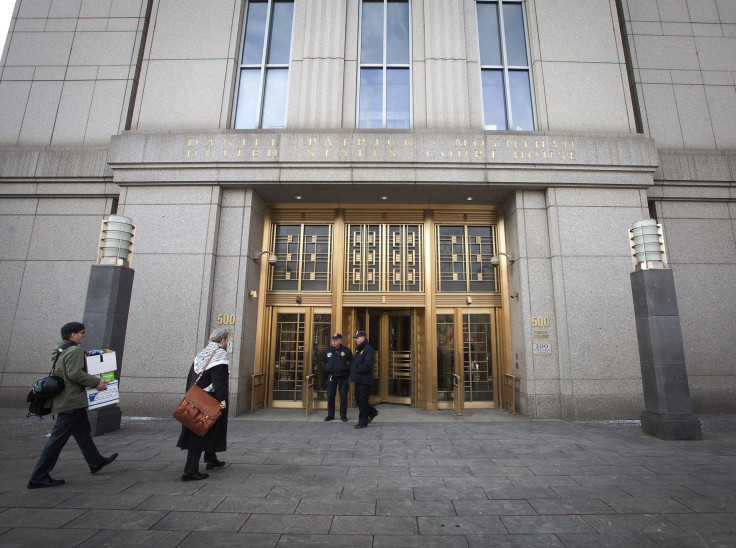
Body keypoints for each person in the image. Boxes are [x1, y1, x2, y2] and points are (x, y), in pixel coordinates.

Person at [28, 322, 118, 489]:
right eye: (81, 333)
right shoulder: (74, 351)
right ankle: (39, 476)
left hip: (66, 400)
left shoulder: (61, 349)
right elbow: (75, 374)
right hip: (72, 401)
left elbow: (65, 363)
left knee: (82, 432)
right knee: (57, 439)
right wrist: (96, 382)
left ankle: (95, 461)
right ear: (72, 335)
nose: (84, 335)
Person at [176, 328, 230, 481]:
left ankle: (211, 458)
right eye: (226, 340)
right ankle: (190, 470)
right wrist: (222, 400)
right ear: (223, 340)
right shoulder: (219, 356)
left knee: (208, 430)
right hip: (209, 400)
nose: (227, 343)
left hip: (196, 398)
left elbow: (191, 378)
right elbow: (219, 382)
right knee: (201, 432)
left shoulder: (202, 354)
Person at [350, 330, 378, 429]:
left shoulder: (368, 349)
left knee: (362, 401)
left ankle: (363, 422)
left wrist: (357, 370)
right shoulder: (359, 349)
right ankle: (372, 412)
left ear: (363, 338)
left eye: (357, 338)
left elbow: (368, 364)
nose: (356, 340)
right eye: (355, 338)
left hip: (364, 380)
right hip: (358, 379)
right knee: (359, 399)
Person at [321, 333, 352, 422]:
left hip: (342, 377)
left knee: (343, 397)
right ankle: (330, 415)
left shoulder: (346, 351)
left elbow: (352, 362)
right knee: (330, 396)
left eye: (335, 340)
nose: (333, 342)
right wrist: (326, 367)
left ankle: (343, 415)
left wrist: (346, 369)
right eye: (333, 340)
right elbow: (323, 361)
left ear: (340, 341)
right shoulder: (328, 350)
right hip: (331, 377)